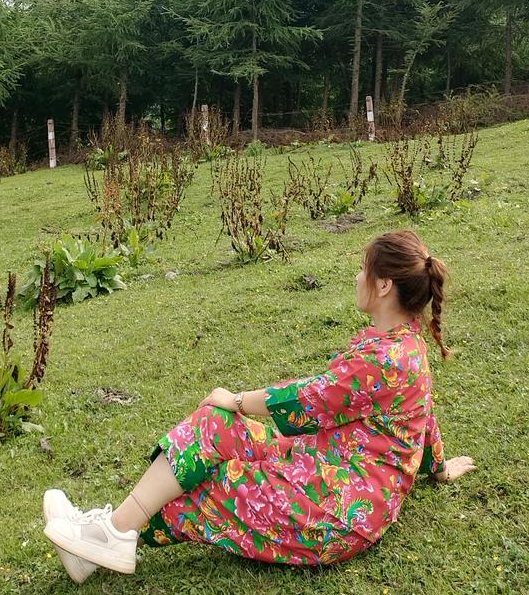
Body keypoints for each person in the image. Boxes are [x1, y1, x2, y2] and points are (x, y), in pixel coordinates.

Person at [42, 229, 476, 582]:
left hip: (340, 511)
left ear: (383, 285)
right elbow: (422, 417)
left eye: (364, 269)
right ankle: (109, 534)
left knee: (216, 480)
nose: (358, 277)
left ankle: (106, 537)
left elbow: (313, 396)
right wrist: (438, 468)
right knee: (213, 425)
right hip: (323, 467)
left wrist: (237, 399)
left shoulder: (387, 358)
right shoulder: (402, 344)